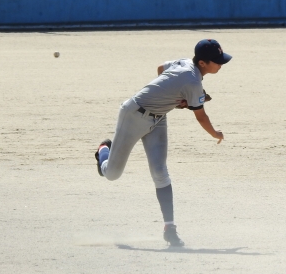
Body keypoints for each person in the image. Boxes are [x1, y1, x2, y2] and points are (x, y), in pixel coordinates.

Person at [94, 38, 232, 247]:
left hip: (158, 119)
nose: (221, 64)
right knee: (112, 174)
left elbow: (161, 68)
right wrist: (215, 134)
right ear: (203, 63)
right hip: (132, 116)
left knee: (160, 172)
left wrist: (168, 94)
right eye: (217, 60)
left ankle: (170, 229)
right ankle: (104, 149)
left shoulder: (186, 63)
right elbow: (201, 117)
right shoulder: (193, 83)